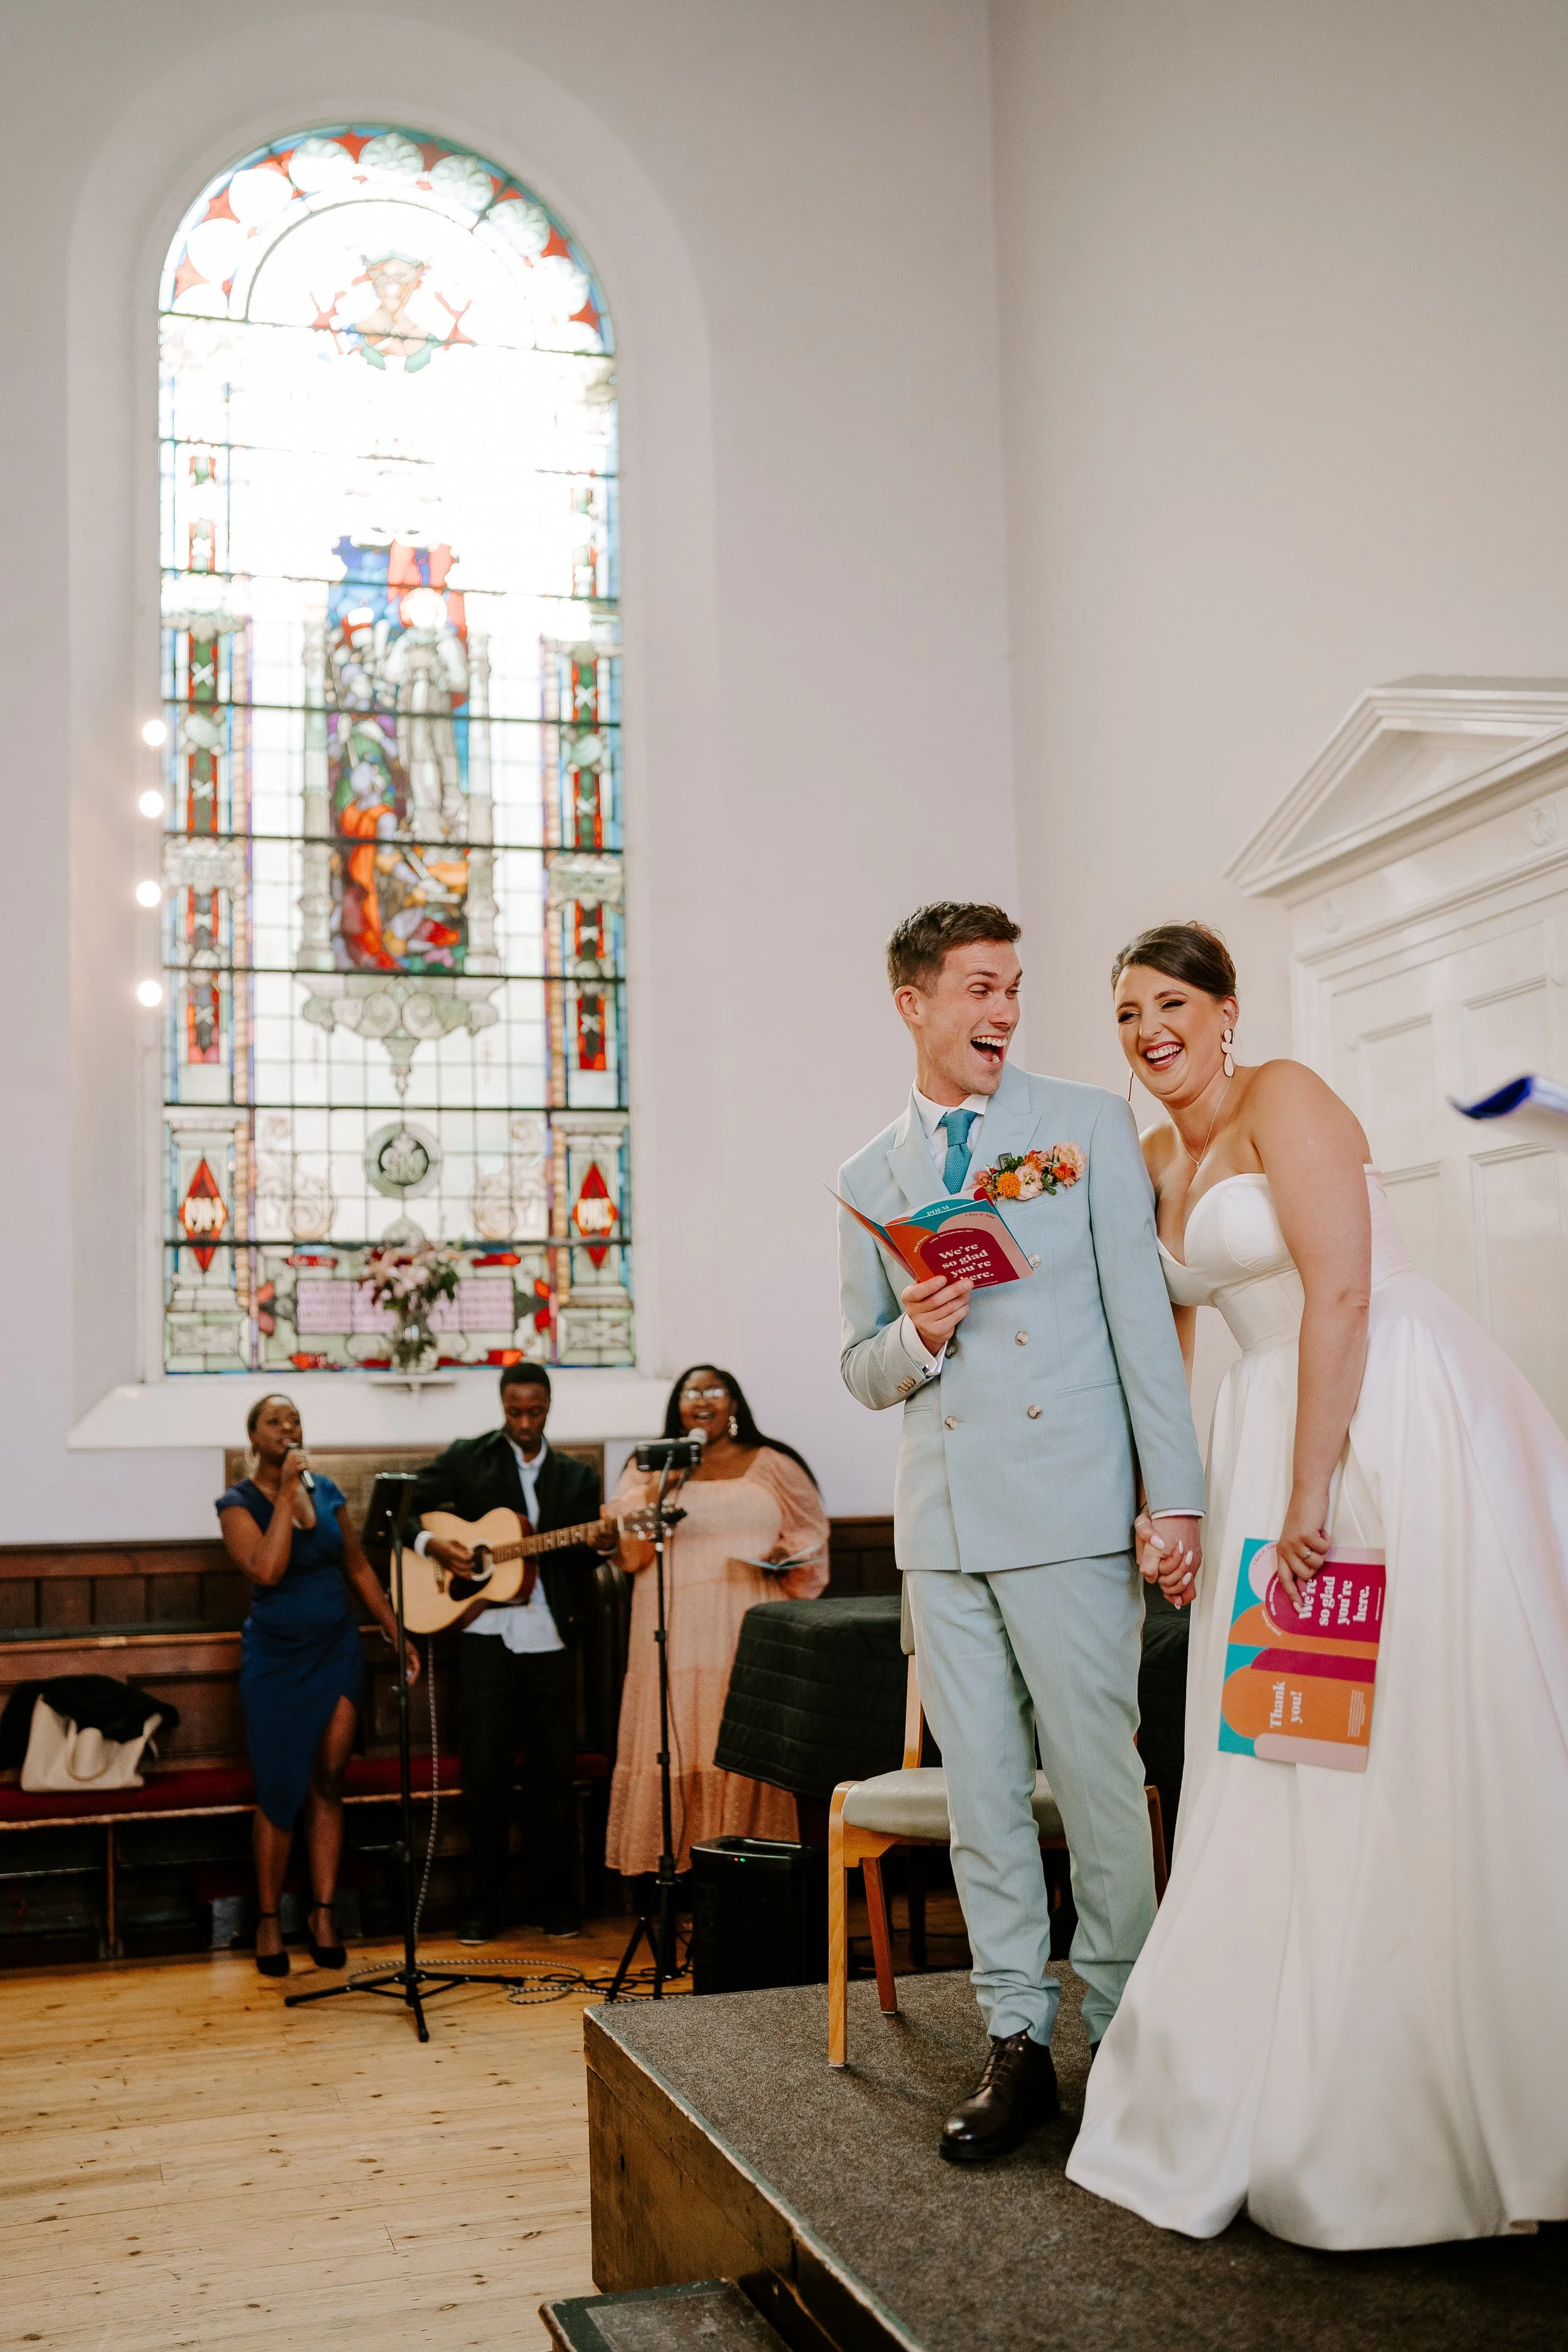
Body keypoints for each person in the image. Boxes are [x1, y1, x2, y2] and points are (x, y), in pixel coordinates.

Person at [1067, 921, 1568, 2249]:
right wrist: (1166, 1507)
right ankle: (1277, 2055)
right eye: (1122, 1014)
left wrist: (1308, 1496)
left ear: (1225, 1008)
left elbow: (1339, 1294)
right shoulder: (1151, 1155)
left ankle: (1421, 2096)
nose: (1145, 1030)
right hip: (1259, 1442)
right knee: (1282, 1749)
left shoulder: (1285, 1094)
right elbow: (1159, 1343)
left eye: (1167, 1001)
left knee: (1407, 1743)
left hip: (1381, 1423)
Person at [837, 902, 1205, 2164]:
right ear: (915, 1004)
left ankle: (1121, 2030)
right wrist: (915, 1335)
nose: (1002, 1013)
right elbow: (856, 1366)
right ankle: (1015, 2039)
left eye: (1012, 990)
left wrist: (1175, 1498)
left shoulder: (1084, 1126)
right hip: (939, 1525)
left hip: (1064, 1503)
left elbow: (1138, 1323)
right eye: (979, 990)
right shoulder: (866, 1174)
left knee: (1097, 1783)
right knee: (985, 1795)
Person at [217, 1394, 418, 1979]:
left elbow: (355, 1565)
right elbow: (268, 1569)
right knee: (279, 1790)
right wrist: (284, 1493)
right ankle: (267, 1919)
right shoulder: (237, 1504)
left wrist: (394, 1629)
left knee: (329, 1780)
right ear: (254, 1437)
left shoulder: (327, 1492)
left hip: (336, 1651)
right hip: (277, 1662)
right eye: (274, 1422)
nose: (288, 1429)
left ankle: (323, 1914)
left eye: (295, 1420)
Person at [603, 1367, 829, 1880]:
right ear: (677, 1405)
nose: (702, 1400)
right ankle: (680, 1873)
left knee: (741, 1735)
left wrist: (786, 1557)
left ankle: (755, 1870)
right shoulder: (650, 1467)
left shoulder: (774, 1463)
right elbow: (630, 1550)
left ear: (734, 1403)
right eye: (691, 1391)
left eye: (713, 1390)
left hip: (749, 1619)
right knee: (682, 1733)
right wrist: (662, 1487)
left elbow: (810, 1536)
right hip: (672, 1626)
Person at [411, 1362, 605, 1944]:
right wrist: (437, 1548)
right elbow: (400, 1513)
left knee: (553, 1777)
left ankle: (556, 1903)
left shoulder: (576, 1477)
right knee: (486, 1777)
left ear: (549, 1405)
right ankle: (483, 1907)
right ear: (502, 1405)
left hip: (550, 1637)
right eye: (515, 1411)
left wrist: (601, 1543)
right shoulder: (468, 1458)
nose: (525, 1422)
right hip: (484, 1639)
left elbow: (585, 1558)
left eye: (536, 1411)